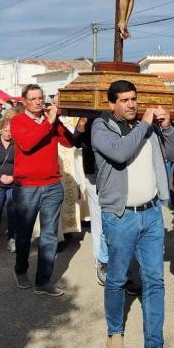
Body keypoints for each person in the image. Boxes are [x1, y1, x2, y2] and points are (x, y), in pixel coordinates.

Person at [91, 79, 174, 348]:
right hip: (120, 215)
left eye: (134, 99)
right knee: (117, 278)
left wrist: (167, 128)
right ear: (112, 103)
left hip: (151, 213)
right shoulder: (101, 128)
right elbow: (120, 153)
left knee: (154, 280)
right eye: (125, 100)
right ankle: (114, 332)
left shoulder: (151, 128)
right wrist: (145, 125)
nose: (131, 104)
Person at [10, 84, 74, 295]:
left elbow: (69, 143)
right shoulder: (17, 121)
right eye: (34, 98)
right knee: (24, 233)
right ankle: (21, 269)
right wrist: (48, 123)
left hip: (52, 185)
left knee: (49, 236)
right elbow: (28, 144)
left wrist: (59, 123)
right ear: (24, 102)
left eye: (41, 98)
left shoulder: (50, 122)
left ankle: (43, 281)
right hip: (27, 187)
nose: (39, 101)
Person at [74, 118, 109, 286]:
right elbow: (76, 141)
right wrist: (81, 126)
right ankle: (101, 260)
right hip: (94, 173)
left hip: (114, 173)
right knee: (99, 220)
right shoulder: (89, 119)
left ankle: (116, 262)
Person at [0, 117, 17, 253]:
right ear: (0, 130)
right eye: (5, 130)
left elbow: (21, 163)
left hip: (13, 182)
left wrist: (13, 176)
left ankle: (12, 238)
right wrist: (0, 176)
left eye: (10, 131)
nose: (8, 133)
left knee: (13, 211)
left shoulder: (17, 144)